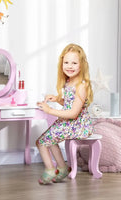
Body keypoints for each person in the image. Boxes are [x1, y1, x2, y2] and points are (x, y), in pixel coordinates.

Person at [36, 43, 94, 185]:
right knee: (47, 140)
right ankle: (62, 168)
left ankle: (50, 170)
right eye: (66, 62)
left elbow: (74, 113)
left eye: (74, 63)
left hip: (77, 124)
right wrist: (57, 99)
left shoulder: (81, 85)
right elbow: (71, 104)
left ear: (82, 65)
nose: (69, 66)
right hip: (70, 122)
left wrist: (49, 110)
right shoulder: (69, 82)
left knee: (42, 142)